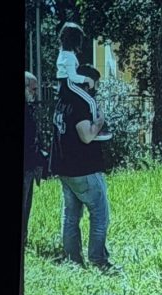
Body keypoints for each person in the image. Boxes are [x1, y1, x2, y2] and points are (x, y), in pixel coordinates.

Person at [49, 64, 115, 271]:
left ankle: (72, 260)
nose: (93, 91)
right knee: (99, 214)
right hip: (84, 169)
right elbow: (86, 136)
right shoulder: (80, 103)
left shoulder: (62, 102)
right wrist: (100, 122)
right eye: (92, 87)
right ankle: (98, 260)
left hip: (64, 167)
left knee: (70, 215)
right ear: (84, 83)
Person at [56, 22, 110, 142]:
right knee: (91, 101)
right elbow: (73, 76)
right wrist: (87, 79)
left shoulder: (62, 104)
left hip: (63, 157)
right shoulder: (78, 105)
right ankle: (95, 122)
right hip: (68, 83)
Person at [23, 72, 44, 248]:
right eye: (33, 89)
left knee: (27, 208)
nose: (35, 92)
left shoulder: (30, 108)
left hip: (30, 166)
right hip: (26, 166)